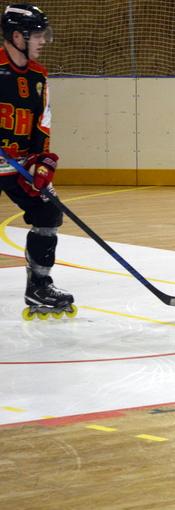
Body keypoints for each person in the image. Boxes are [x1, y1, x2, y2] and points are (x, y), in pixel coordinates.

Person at [0, 4, 72, 319]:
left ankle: (39, 285)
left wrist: (41, 162)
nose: (43, 41)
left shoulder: (38, 76)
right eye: (38, 35)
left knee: (48, 210)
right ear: (18, 36)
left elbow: (42, 123)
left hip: (16, 164)